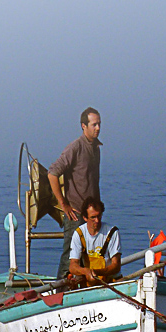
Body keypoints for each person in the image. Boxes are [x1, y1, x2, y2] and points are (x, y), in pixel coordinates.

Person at [49, 107, 103, 278]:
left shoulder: (96, 149)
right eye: (94, 125)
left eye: (99, 124)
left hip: (91, 215)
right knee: (69, 258)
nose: (98, 128)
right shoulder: (75, 148)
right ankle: (59, 295)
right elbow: (52, 173)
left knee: (88, 258)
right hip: (76, 214)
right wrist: (63, 204)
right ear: (83, 126)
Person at [69, 197, 121, 284]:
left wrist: (96, 273)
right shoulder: (79, 234)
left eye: (99, 216)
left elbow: (116, 265)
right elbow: (73, 266)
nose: (97, 220)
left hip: (110, 282)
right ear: (85, 218)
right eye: (93, 217)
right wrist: (86, 272)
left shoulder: (112, 232)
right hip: (87, 282)